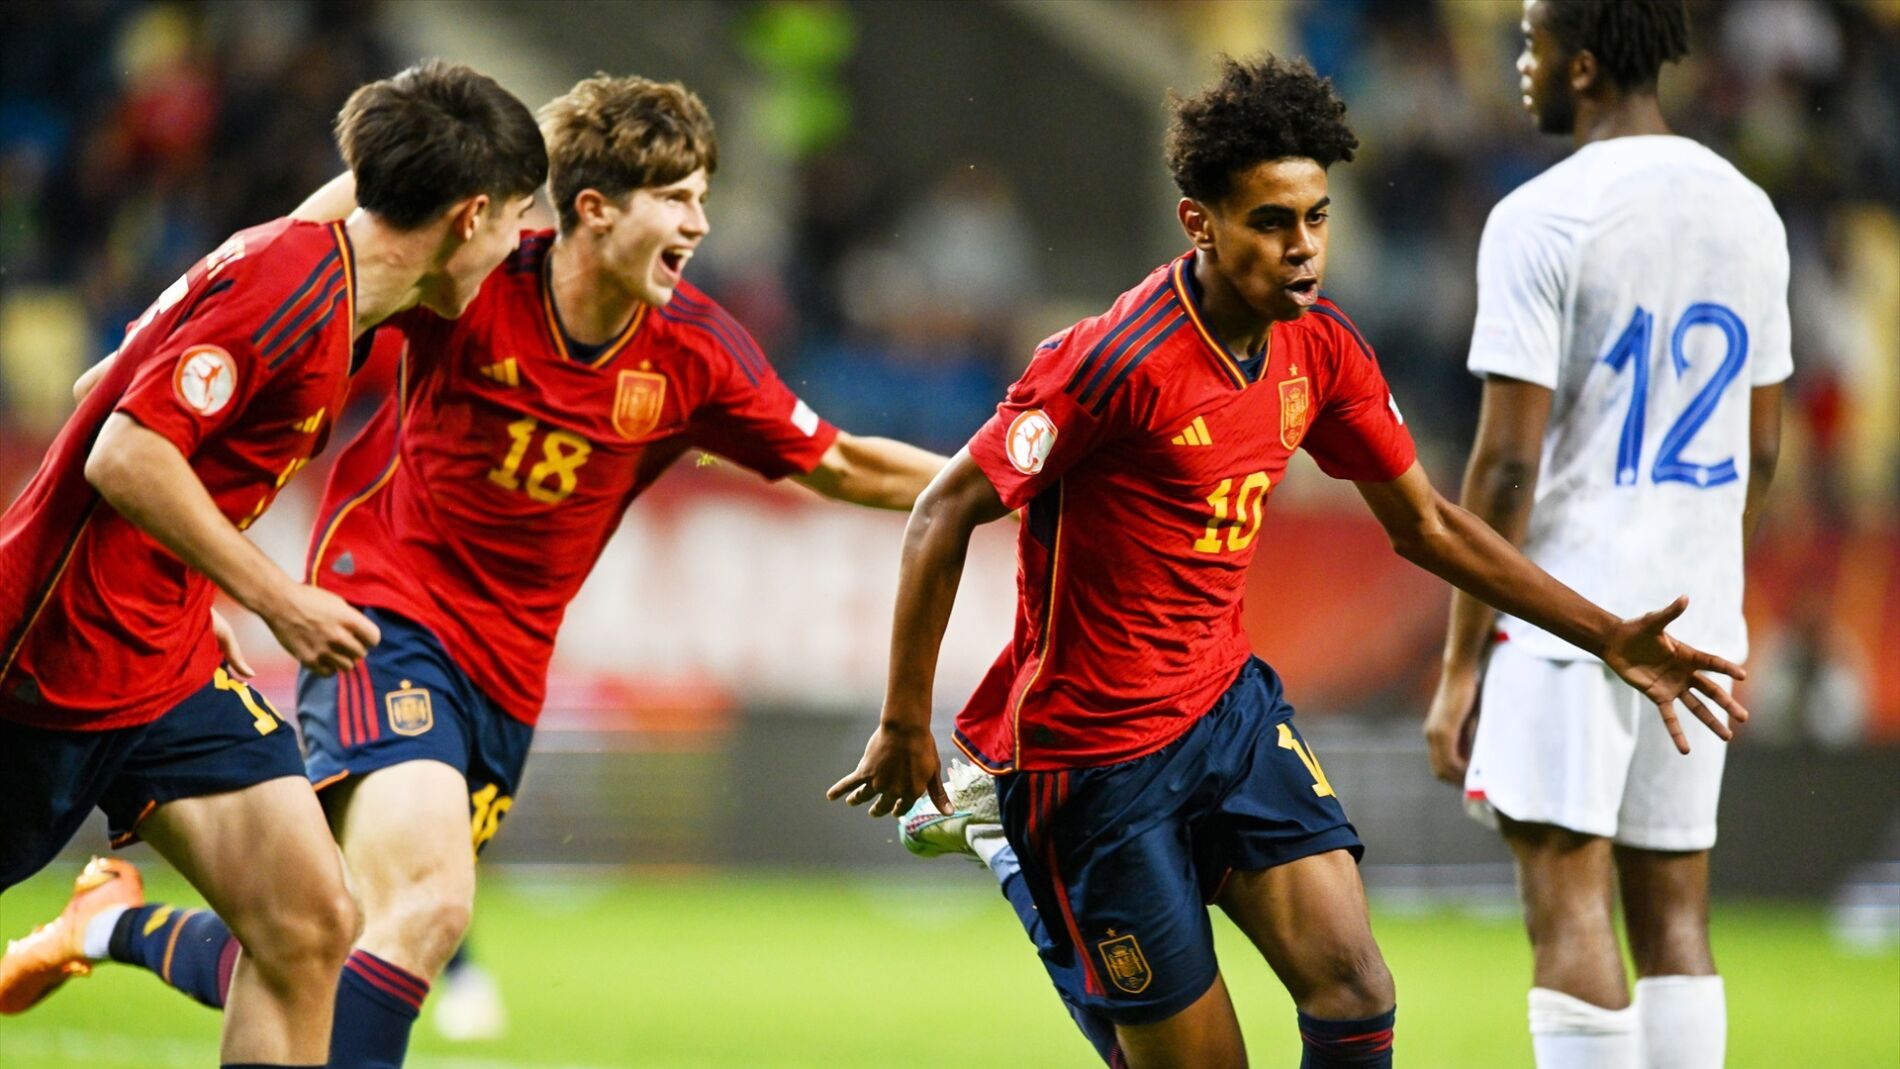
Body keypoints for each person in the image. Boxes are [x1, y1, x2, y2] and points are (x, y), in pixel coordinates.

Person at [2, 74, 943, 1069]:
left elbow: (842, 462)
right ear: (590, 208)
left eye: (703, 197)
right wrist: (270, 590)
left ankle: (111, 925)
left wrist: (1003, 480)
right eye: (676, 198)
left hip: (488, 670)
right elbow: (334, 241)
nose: (700, 224)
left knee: (327, 928)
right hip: (379, 617)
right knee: (424, 906)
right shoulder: (453, 279)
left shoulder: (692, 352)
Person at [831, 54, 1748, 1069]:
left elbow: (1428, 526)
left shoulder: (1320, 346)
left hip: (1227, 714)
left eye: (1316, 217)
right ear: (1200, 223)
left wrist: (1607, 634)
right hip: (1092, 761)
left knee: (1357, 990)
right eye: (1271, 222)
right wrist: (904, 719)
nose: (1303, 247)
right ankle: (1011, 834)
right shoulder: (1112, 361)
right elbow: (941, 511)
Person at [0, 61, 544, 1069]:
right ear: (471, 216)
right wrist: (277, 598)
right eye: (517, 216)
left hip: (164, 656)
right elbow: (123, 452)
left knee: (309, 921)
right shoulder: (288, 291)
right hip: (53, 662)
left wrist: (182, 576)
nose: (520, 243)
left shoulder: (318, 275)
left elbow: (102, 379)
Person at [1420, 3, 1787, 1067]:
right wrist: (1700, 568)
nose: (1521, 64)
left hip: (1566, 621)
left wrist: (1459, 664)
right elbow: (1761, 449)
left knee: (1569, 906)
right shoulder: (1750, 211)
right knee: (1675, 917)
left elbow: (1505, 465)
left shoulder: (1540, 216)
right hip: (1697, 628)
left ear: (1581, 66)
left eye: (1531, 44)